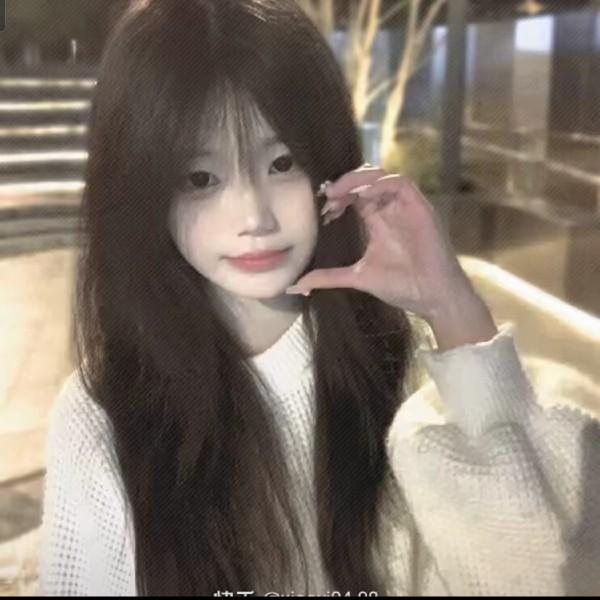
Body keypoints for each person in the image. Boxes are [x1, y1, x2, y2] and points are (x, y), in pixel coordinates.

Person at [38, 0, 600, 596]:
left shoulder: (405, 368)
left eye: (282, 163)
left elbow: (540, 572)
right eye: (201, 178)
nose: (254, 216)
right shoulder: (102, 414)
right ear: (142, 191)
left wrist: (451, 305)